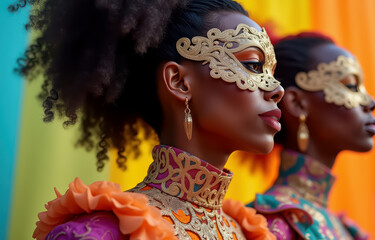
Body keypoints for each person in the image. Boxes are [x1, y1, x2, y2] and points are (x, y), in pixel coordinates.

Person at [9, 0, 284, 239]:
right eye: (252, 65)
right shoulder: (100, 233)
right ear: (179, 82)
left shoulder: (251, 233)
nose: (276, 89)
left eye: (271, 72)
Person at [248, 32, 375, 239]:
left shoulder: (345, 229)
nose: (371, 102)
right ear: (297, 103)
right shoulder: (270, 223)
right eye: (351, 86)